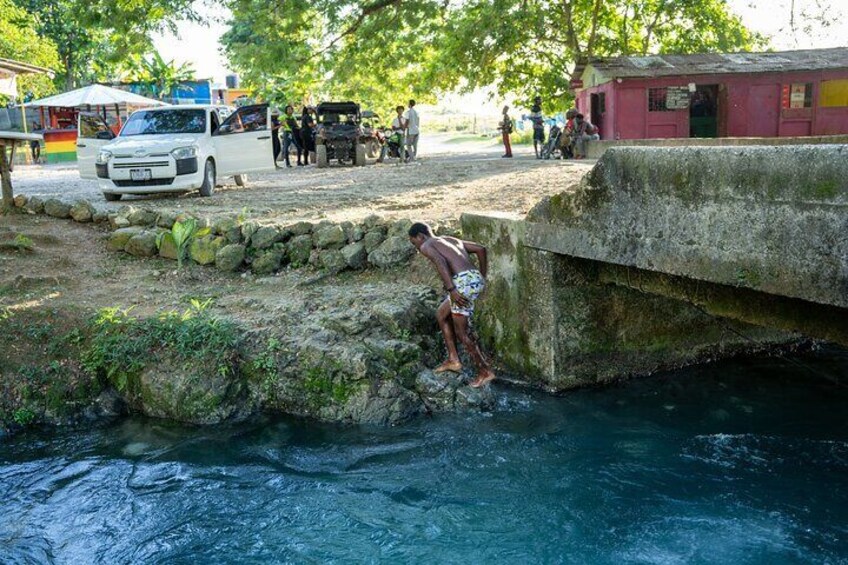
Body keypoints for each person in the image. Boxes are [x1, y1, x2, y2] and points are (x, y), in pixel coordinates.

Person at [408, 222, 495, 388]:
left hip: (461, 284)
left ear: (421, 236)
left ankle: (485, 371)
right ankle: (453, 359)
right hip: (472, 278)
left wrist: (452, 289)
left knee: (462, 332)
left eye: (414, 242)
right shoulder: (449, 240)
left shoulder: (427, 244)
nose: (416, 247)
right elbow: (481, 249)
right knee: (441, 314)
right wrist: (481, 277)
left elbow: (441, 263)